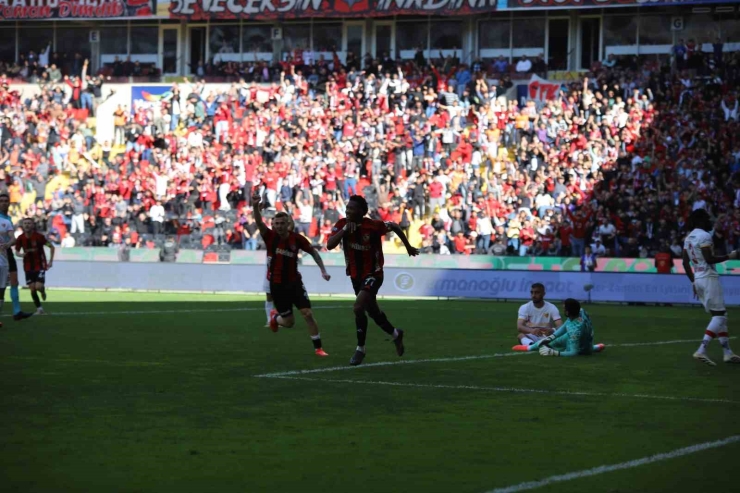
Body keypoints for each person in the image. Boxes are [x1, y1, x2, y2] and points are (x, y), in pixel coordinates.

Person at [327, 195, 419, 366]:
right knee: (373, 312)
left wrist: (408, 247)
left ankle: (360, 349)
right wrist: (345, 230)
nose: (348, 211)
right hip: (355, 276)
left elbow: (395, 226)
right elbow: (330, 245)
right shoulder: (342, 225)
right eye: (347, 208)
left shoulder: (373, 226)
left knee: (358, 307)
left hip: (373, 274)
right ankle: (396, 334)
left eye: (352, 209)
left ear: (362, 212)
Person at [251, 191, 331, 358]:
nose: (279, 226)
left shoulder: (298, 239)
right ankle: (275, 318)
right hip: (277, 284)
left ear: (288, 224)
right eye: (276, 223)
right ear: (273, 225)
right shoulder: (270, 237)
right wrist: (255, 206)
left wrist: (323, 270)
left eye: (282, 223)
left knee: (308, 314)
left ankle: (318, 348)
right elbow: (258, 222)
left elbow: (314, 253)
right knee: (289, 322)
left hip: (294, 282)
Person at [682, 208, 740, 366]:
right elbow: (709, 258)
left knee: (721, 316)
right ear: (701, 221)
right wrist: (731, 256)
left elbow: (684, 262)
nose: (710, 221)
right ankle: (702, 349)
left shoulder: (689, 237)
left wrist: (693, 281)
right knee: (720, 316)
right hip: (708, 277)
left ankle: (727, 353)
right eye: (707, 219)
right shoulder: (704, 235)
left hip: (699, 278)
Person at [521, 298, 605, 356]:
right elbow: (566, 325)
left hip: (580, 348)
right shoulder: (581, 311)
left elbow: (573, 352)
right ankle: (594, 347)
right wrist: (551, 337)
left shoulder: (574, 331)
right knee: (550, 340)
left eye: (565, 308)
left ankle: (529, 348)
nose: (563, 309)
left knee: (550, 344)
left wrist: (554, 353)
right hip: (587, 344)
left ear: (568, 312)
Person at [0, 193, 32, 322]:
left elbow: (11, 238)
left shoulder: (7, 219)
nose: (3, 203)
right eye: (1, 201)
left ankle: (17, 311)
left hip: (7, 253)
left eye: (5, 201)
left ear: (9, 203)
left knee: (14, 282)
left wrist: (10, 245)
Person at [14, 218, 54, 315]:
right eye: (25, 223)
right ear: (23, 225)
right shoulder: (20, 238)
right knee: (32, 289)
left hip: (40, 265)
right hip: (27, 266)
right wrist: (20, 255)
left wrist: (50, 262)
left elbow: (51, 246)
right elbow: (17, 251)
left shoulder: (39, 237)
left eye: (29, 223)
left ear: (33, 225)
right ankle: (39, 309)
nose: (27, 225)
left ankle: (42, 290)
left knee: (38, 286)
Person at [264, 216, 295, 327]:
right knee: (269, 295)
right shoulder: (268, 236)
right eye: (273, 223)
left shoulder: (284, 236)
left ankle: (281, 317)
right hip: (269, 271)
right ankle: (269, 319)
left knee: (281, 296)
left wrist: (289, 215)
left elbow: (291, 227)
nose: (275, 225)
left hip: (282, 272)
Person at [514, 283, 563, 348]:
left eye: (537, 293)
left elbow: (561, 326)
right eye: (532, 292)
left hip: (548, 336)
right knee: (520, 336)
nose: (533, 295)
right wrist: (531, 331)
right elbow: (519, 327)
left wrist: (552, 330)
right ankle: (532, 345)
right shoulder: (525, 307)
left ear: (543, 294)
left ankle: (535, 345)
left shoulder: (551, 307)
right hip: (533, 336)